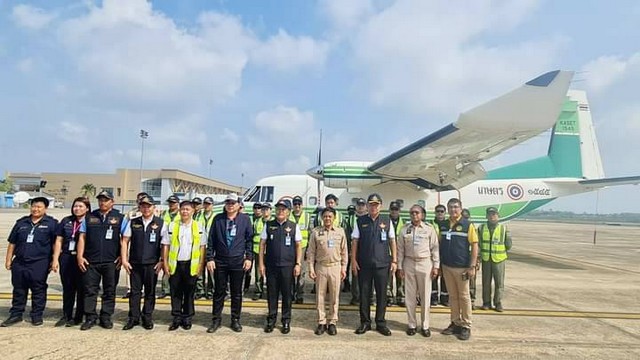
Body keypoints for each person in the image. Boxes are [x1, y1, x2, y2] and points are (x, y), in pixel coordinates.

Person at [1, 197, 57, 327]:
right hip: (19, 262)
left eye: (39, 207)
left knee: (38, 289)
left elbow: (56, 244)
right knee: (19, 289)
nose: (36, 209)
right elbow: (12, 243)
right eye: (34, 206)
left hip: (40, 262)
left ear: (45, 209)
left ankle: (36, 315)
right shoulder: (21, 223)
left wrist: (54, 260)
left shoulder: (51, 224)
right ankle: (16, 314)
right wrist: (8, 259)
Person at [77, 190, 126, 330]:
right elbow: (82, 237)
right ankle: (90, 317)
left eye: (106, 200)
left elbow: (125, 239)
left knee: (109, 290)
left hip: (111, 262)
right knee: (90, 290)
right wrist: (80, 256)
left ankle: (105, 316)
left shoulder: (120, 218)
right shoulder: (89, 217)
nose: (102, 202)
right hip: (91, 261)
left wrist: (122, 256)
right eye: (100, 200)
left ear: (112, 202)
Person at [206, 194, 253, 333]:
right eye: (228, 202)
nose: (230, 205)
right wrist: (210, 258)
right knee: (219, 292)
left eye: (233, 203)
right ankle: (216, 320)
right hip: (220, 260)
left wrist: (249, 257)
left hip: (238, 261)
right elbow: (211, 240)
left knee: (236, 292)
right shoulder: (218, 219)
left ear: (239, 205)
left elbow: (249, 240)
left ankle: (235, 320)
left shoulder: (245, 219)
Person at [351, 193, 397, 336]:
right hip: (364, 264)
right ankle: (365, 322)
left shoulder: (387, 220)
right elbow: (355, 241)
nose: (373, 207)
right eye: (371, 204)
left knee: (382, 295)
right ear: (367, 206)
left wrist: (394, 260)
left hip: (382, 264)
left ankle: (381, 323)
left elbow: (392, 241)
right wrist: (353, 260)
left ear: (380, 206)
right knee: (364, 294)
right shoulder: (360, 221)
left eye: (376, 205)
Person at [121, 195, 166, 330]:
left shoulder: (161, 223)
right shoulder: (133, 222)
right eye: (143, 206)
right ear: (139, 207)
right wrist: (124, 259)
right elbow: (125, 241)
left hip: (152, 264)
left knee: (150, 292)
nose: (146, 208)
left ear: (154, 207)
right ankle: (133, 318)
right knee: (135, 292)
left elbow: (165, 244)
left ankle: (147, 317)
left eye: (148, 206)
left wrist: (162, 261)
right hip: (135, 263)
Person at [161, 200, 206, 331]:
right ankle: (176, 317)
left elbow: (202, 247)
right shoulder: (172, 225)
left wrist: (200, 266)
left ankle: (187, 317)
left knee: (189, 292)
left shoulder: (199, 226)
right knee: (175, 292)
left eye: (188, 209)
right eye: (183, 209)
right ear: (180, 211)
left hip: (191, 265)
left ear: (193, 211)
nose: (185, 211)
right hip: (175, 264)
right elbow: (166, 246)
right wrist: (165, 263)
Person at [259, 200, 302, 334]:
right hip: (271, 267)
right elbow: (262, 245)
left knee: (287, 295)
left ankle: (285, 321)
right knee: (272, 295)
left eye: (283, 209)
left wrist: (298, 263)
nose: (280, 211)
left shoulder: (294, 226)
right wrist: (261, 264)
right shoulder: (268, 225)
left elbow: (299, 246)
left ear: (288, 212)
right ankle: (271, 320)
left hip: (288, 267)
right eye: (278, 209)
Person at [397, 204, 439, 337]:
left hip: (425, 263)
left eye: (417, 212)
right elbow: (400, 250)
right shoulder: (405, 229)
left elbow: (435, 248)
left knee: (425, 295)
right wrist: (399, 266)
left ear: (422, 215)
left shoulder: (429, 229)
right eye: (412, 213)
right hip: (409, 263)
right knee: (410, 296)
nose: (414, 215)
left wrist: (436, 265)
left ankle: (425, 325)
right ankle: (411, 324)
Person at [440, 198, 478, 341]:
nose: (453, 210)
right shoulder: (443, 225)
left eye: (456, 207)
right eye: (450, 207)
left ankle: (466, 325)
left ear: (461, 209)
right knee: (453, 297)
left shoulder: (468, 225)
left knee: (464, 297)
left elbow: (474, 245)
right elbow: (439, 243)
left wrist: (472, 266)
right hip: (447, 266)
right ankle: (455, 322)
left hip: (462, 268)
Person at [307, 207, 347, 336]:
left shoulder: (340, 232)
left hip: (335, 267)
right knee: (320, 296)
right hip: (321, 267)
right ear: (321, 218)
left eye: (330, 216)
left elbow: (344, 252)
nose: (327, 219)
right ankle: (322, 321)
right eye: (325, 216)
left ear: (334, 218)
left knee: (334, 296)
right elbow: (311, 252)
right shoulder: (316, 232)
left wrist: (343, 268)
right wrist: (311, 268)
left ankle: (332, 322)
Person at [51, 197, 90, 327]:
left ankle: (78, 316)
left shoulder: (91, 221)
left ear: (87, 208)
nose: (77, 209)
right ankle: (66, 315)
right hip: (67, 257)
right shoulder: (66, 221)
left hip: (83, 259)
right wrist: (55, 259)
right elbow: (59, 241)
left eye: (80, 206)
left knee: (81, 288)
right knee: (68, 288)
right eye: (75, 206)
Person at [479, 207, 512, 312]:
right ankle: (486, 302)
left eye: (494, 214)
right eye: (489, 214)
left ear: (498, 216)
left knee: (499, 283)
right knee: (486, 282)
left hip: (499, 259)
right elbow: (478, 243)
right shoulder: (481, 228)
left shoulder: (503, 228)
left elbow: (508, 244)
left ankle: (498, 302)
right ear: (486, 216)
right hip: (486, 259)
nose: (491, 216)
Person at [121, 192, 149, 299]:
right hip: (133, 243)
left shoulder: (152, 211)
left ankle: (143, 289)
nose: (141, 201)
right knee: (131, 266)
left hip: (147, 243)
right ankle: (130, 288)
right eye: (139, 199)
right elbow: (125, 229)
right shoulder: (131, 213)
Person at [158, 194, 180, 299]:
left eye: (173, 203)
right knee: (165, 265)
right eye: (170, 202)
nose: (171, 204)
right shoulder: (164, 214)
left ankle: (175, 289)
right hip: (165, 242)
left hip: (178, 243)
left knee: (177, 267)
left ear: (177, 203)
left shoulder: (182, 214)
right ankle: (165, 289)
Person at [289, 195, 310, 304]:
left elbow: (311, 234)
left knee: (301, 272)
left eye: (299, 204)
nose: (297, 206)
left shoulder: (307, 217)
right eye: (295, 204)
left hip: (303, 248)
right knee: (290, 272)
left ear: (302, 205)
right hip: (290, 248)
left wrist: (308, 250)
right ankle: (291, 293)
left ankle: (300, 295)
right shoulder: (288, 216)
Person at [195, 196, 216, 300]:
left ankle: (211, 291)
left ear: (212, 205)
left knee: (211, 270)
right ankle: (200, 290)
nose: (207, 206)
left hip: (212, 246)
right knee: (199, 268)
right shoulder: (198, 216)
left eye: (209, 204)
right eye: (205, 204)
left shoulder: (215, 217)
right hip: (200, 245)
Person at [386, 201, 405, 307]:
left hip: (400, 253)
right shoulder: (385, 222)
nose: (394, 211)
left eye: (396, 209)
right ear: (389, 210)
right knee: (388, 277)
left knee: (400, 276)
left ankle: (400, 297)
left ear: (399, 211)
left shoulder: (405, 223)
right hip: (387, 253)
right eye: (392, 209)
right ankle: (388, 297)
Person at [251, 202, 270, 300]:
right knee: (258, 272)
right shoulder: (256, 221)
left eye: (266, 209)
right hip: (258, 251)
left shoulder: (273, 221)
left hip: (270, 251)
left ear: (270, 210)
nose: (264, 211)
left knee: (270, 273)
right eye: (263, 209)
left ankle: (270, 291)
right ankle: (258, 291)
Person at [430, 204, 449, 307]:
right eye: (438, 211)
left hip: (445, 253)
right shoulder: (430, 224)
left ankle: (444, 298)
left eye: (442, 211)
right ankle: (433, 298)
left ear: (445, 212)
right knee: (434, 276)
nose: (440, 213)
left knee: (445, 277)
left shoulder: (448, 224)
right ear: (435, 212)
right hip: (434, 254)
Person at [462, 208, 480, 309]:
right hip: (462, 258)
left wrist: (477, 260)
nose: (465, 219)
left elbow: (477, 246)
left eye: (467, 217)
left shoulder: (472, 228)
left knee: (472, 281)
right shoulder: (458, 227)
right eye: (463, 217)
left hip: (471, 258)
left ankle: (472, 301)